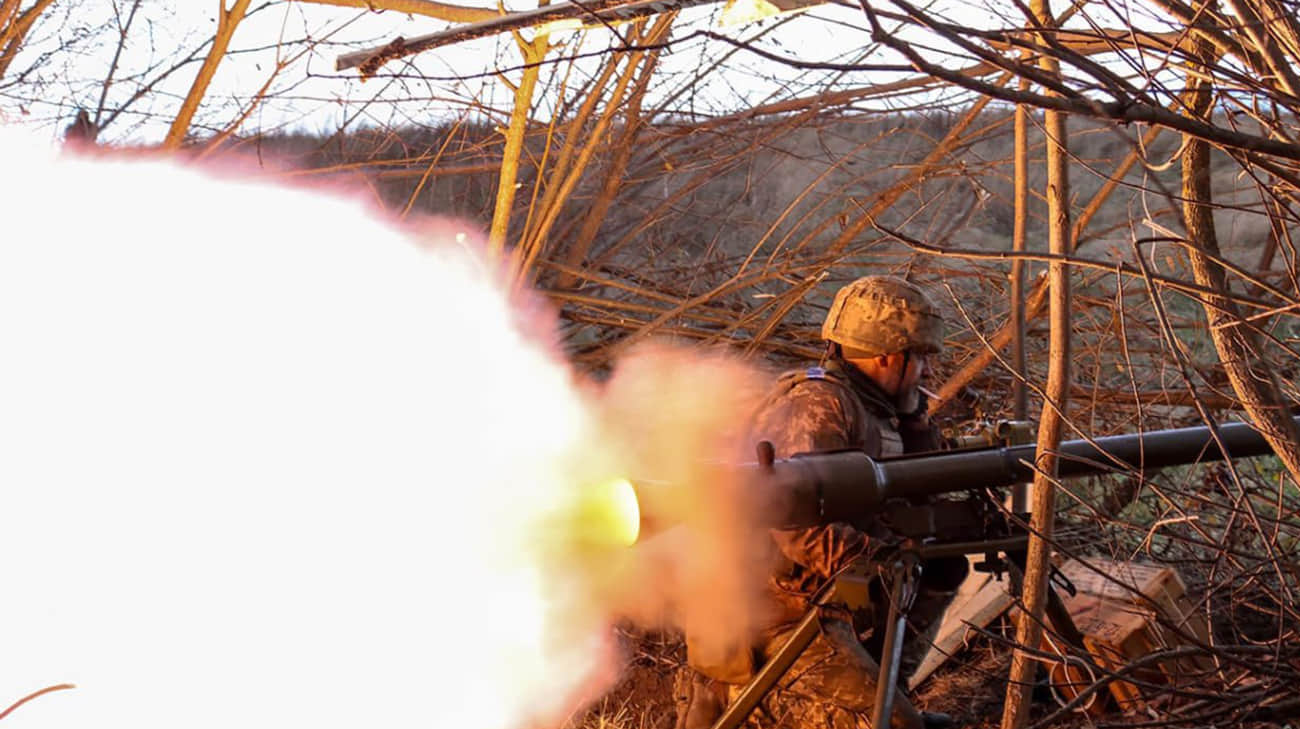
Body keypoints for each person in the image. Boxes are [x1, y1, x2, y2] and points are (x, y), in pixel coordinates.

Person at [675, 275, 967, 729]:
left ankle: (889, 689)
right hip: (776, 622)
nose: (928, 372)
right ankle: (746, 700)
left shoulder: (877, 410)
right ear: (888, 356)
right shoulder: (817, 404)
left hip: (828, 605)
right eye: (921, 358)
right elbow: (795, 526)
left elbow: (919, 487)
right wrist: (882, 557)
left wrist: (914, 420)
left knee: (941, 565)